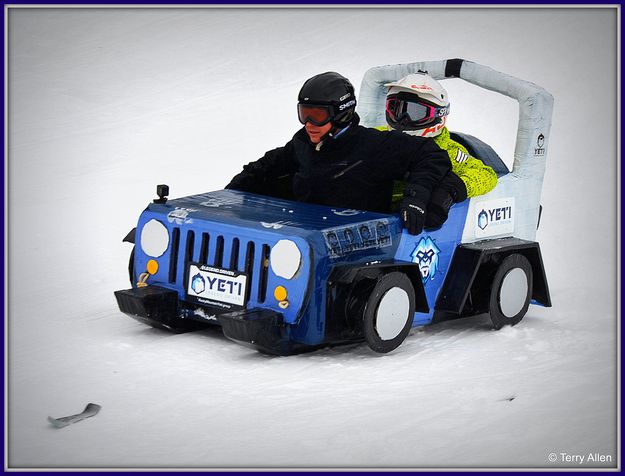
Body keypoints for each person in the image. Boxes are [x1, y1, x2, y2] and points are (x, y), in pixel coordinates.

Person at [226, 72, 450, 235]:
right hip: (303, 235)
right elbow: (266, 167)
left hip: (359, 241)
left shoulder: (372, 145)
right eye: (304, 114)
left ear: (341, 114)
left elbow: (432, 155)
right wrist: (230, 194)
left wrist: (416, 197)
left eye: (318, 115)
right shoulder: (303, 143)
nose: (309, 124)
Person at [383, 72, 498, 228]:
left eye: (416, 113)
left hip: (409, 227)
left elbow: (486, 175)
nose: (404, 119)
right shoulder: (379, 135)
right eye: (396, 109)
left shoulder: (447, 150)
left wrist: (449, 190)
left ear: (438, 115)